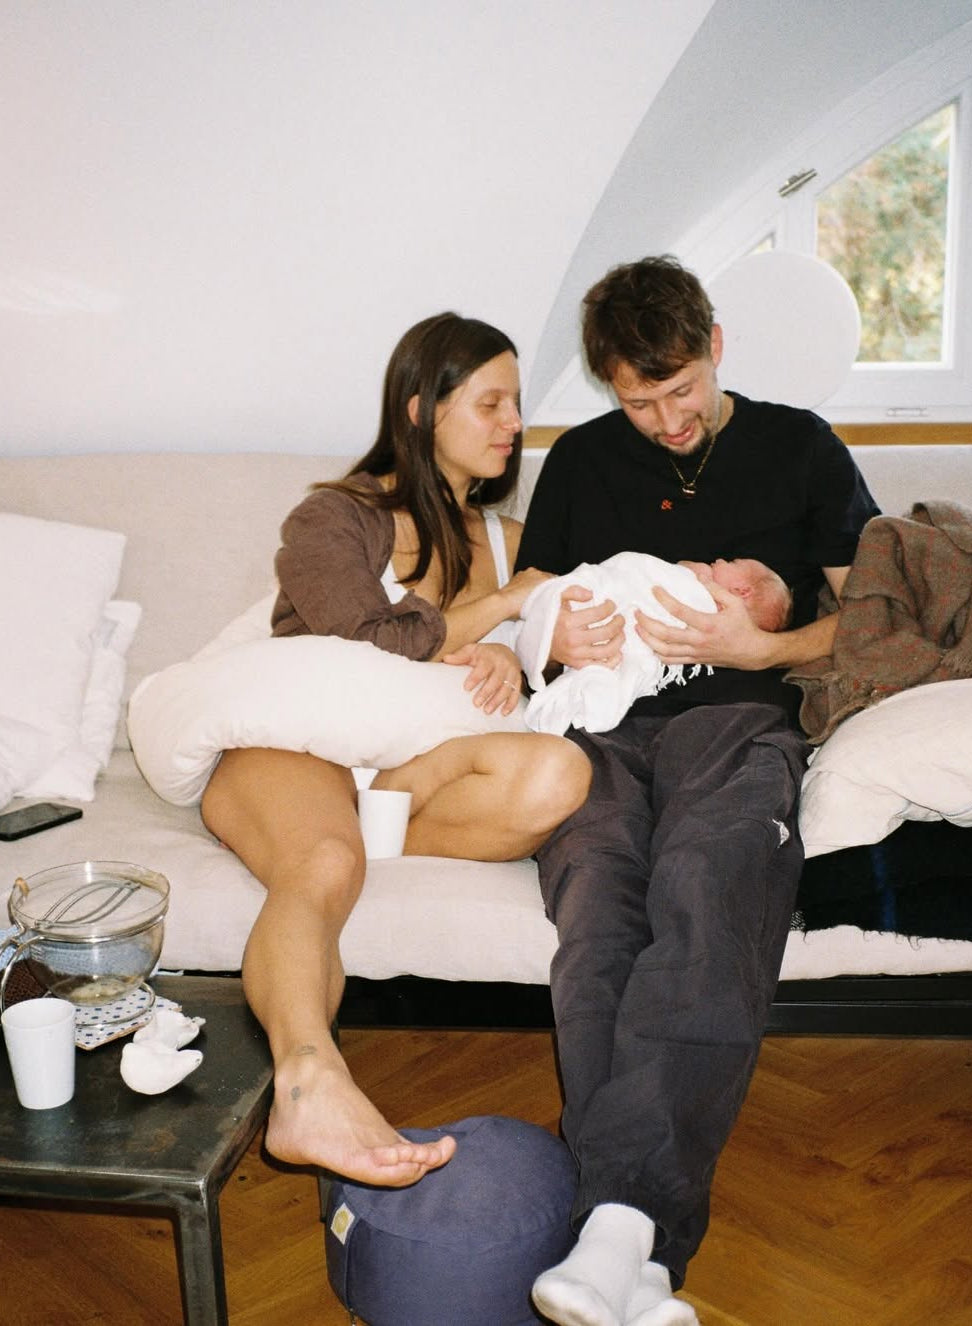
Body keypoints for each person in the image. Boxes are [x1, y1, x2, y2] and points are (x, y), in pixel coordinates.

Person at [515, 256, 879, 1326]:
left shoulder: (799, 446)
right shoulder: (581, 462)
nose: (666, 422)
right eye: (639, 402)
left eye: (679, 392)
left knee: (710, 887)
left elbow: (866, 621)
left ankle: (618, 1225)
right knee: (595, 918)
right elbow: (529, 613)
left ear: (714, 345)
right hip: (603, 729)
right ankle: (641, 1262)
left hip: (737, 721)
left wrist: (756, 647)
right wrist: (553, 637)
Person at [200, 312, 590, 1190]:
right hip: (299, 750)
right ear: (419, 410)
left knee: (557, 777)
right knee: (326, 862)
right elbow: (359, 634)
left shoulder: (512, 540)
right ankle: (307, 1084)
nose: (513, 423)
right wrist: (495, 611)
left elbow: (563, 664)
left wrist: (513, 652)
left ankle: (375, 823)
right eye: (489, 402)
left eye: (517, 404)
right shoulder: (331, 517)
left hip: (412, 780)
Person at [517, 554, 792, 736]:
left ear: (742, 592)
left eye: (733, 562)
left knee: (625, 664)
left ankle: (587, 695)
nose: (719, 559)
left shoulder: (709, 600)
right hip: (618, 602)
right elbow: (643, 572)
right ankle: (584, 692)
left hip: (633, 637)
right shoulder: (694, 575)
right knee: (618, 659)